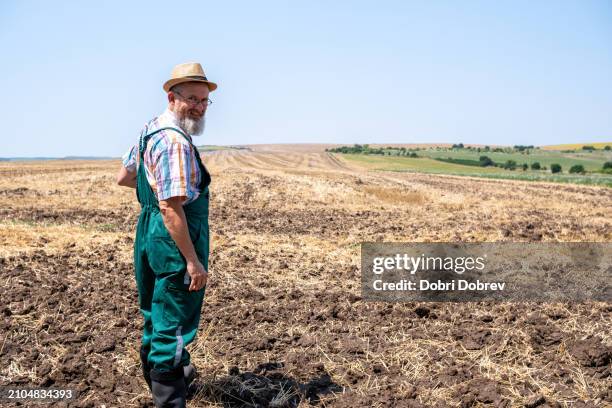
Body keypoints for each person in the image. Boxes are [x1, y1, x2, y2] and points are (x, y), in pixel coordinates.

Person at [116, 62, 217, 408]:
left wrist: (153, 194)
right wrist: (192, 261)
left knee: (154, 313)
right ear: (172, 97)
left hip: (149, 234)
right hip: (173, 235)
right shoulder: (174, 142)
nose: (200, 107)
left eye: (205, 101)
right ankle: (169, 398)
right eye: (192, 99)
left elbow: (125, 176)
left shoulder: (149, 130)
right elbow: (172, 208)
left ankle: (172, 379)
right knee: (173, 323)